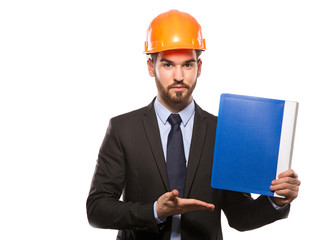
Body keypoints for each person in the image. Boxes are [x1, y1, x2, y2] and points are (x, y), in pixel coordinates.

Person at [86, 9, 301, 240]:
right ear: (151, 67)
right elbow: (97, 209)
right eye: (168, 65)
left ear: (199, 66)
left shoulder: (223, 132)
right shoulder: (123, 129)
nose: (179, 76)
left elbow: (240, 216)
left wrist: (276, 201)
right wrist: (154, 211)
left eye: (187, 65)